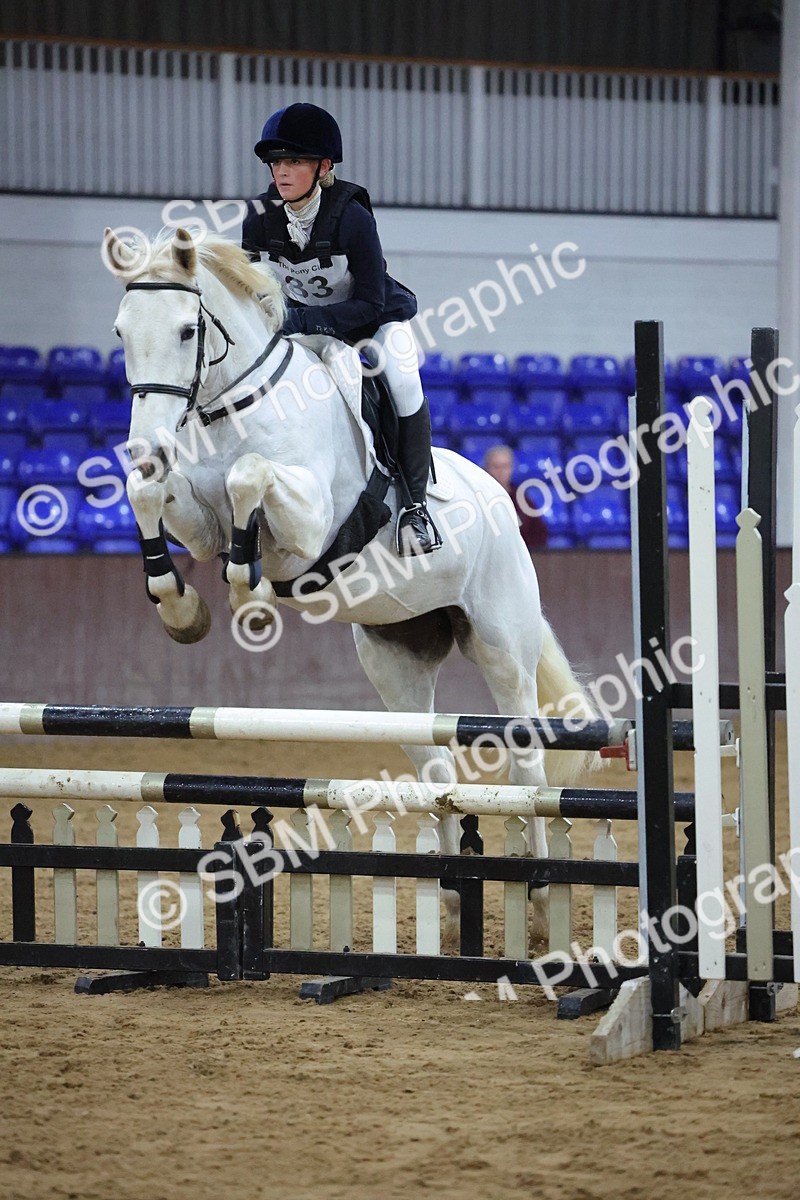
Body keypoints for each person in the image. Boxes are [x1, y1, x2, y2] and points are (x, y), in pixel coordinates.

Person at [241, 102, 439, 557]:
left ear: (323, 166)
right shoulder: (258, 217)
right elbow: (249, 289)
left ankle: (415, 508)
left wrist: (305, 321)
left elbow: (368, 301)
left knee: (406, 381)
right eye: (276, 162)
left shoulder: (353, 218)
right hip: (300, 325)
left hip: (370, 323)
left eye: (294, 161)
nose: (282, 172)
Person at [482, 444, 548, 552]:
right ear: (486, 468)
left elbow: (540, 534)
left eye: (505, 466)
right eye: (495, 466)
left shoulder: (523, 501)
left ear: (511, 469)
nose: (500, 472)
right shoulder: (476, 501)